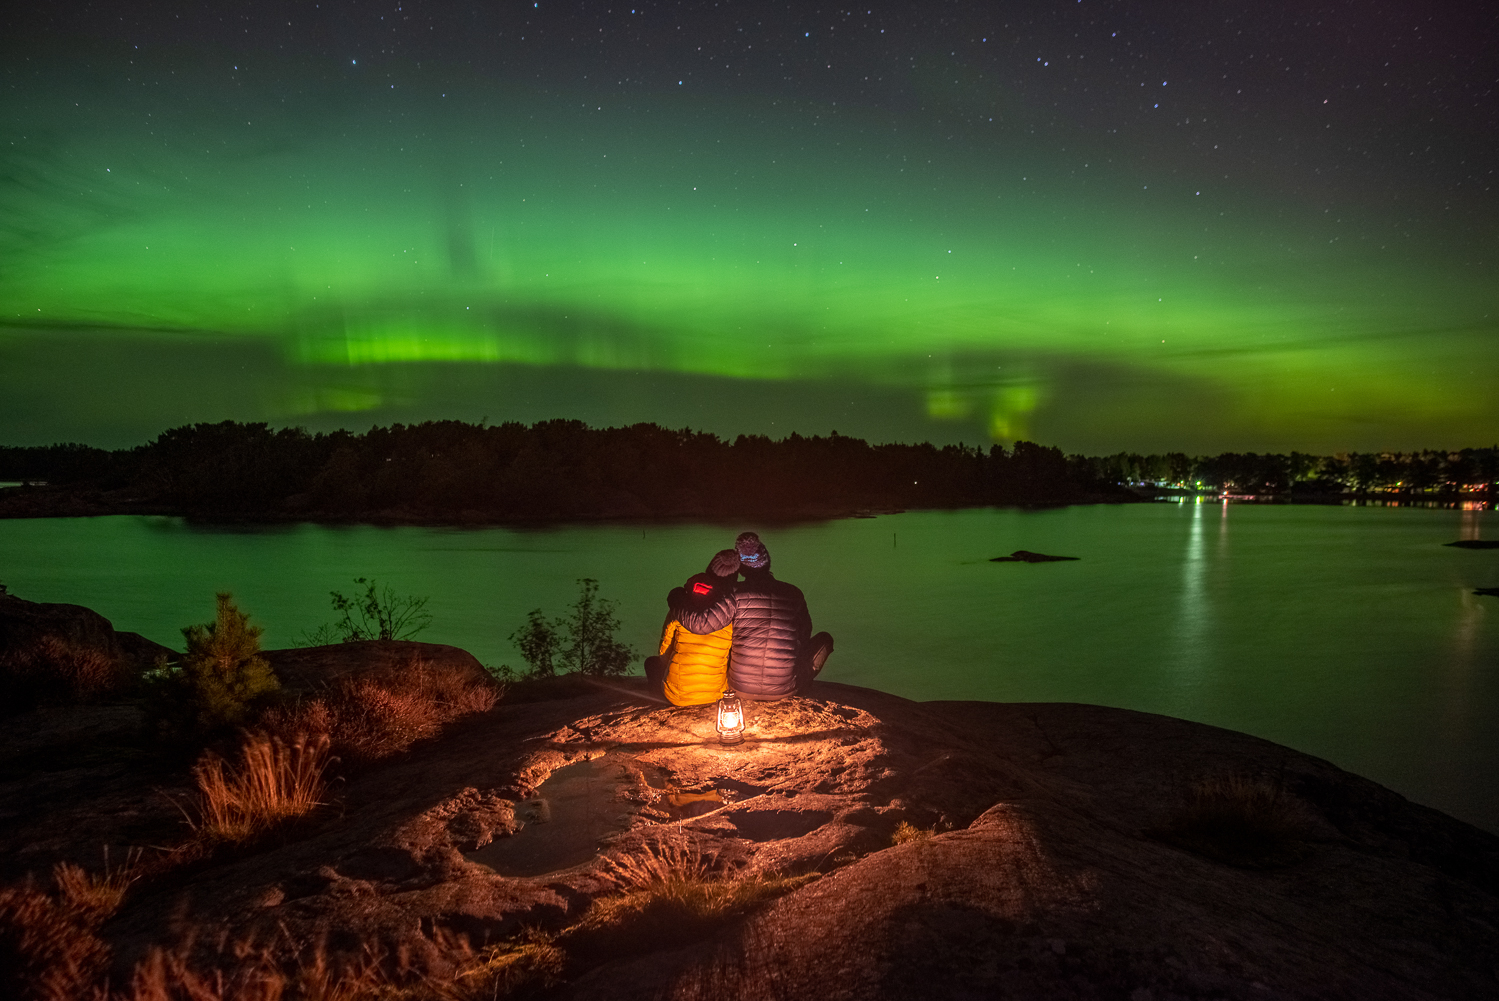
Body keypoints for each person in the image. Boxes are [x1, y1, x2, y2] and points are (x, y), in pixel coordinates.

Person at [671, 531, 833, 700]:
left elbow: (700, 625)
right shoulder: (793, 593)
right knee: (825, 639)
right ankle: (801, 685)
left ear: (741, 569)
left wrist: (677, 598)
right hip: (785, 689)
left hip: (740, 688)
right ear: (767, 563)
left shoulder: (734, 594)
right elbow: (804, 634)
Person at [644, 549, 740, 706]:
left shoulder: (680, 608)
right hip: (716, 694)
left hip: (676, 697)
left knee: (652, 663)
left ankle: (656, 702)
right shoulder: (732, 612)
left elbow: (663, 651)